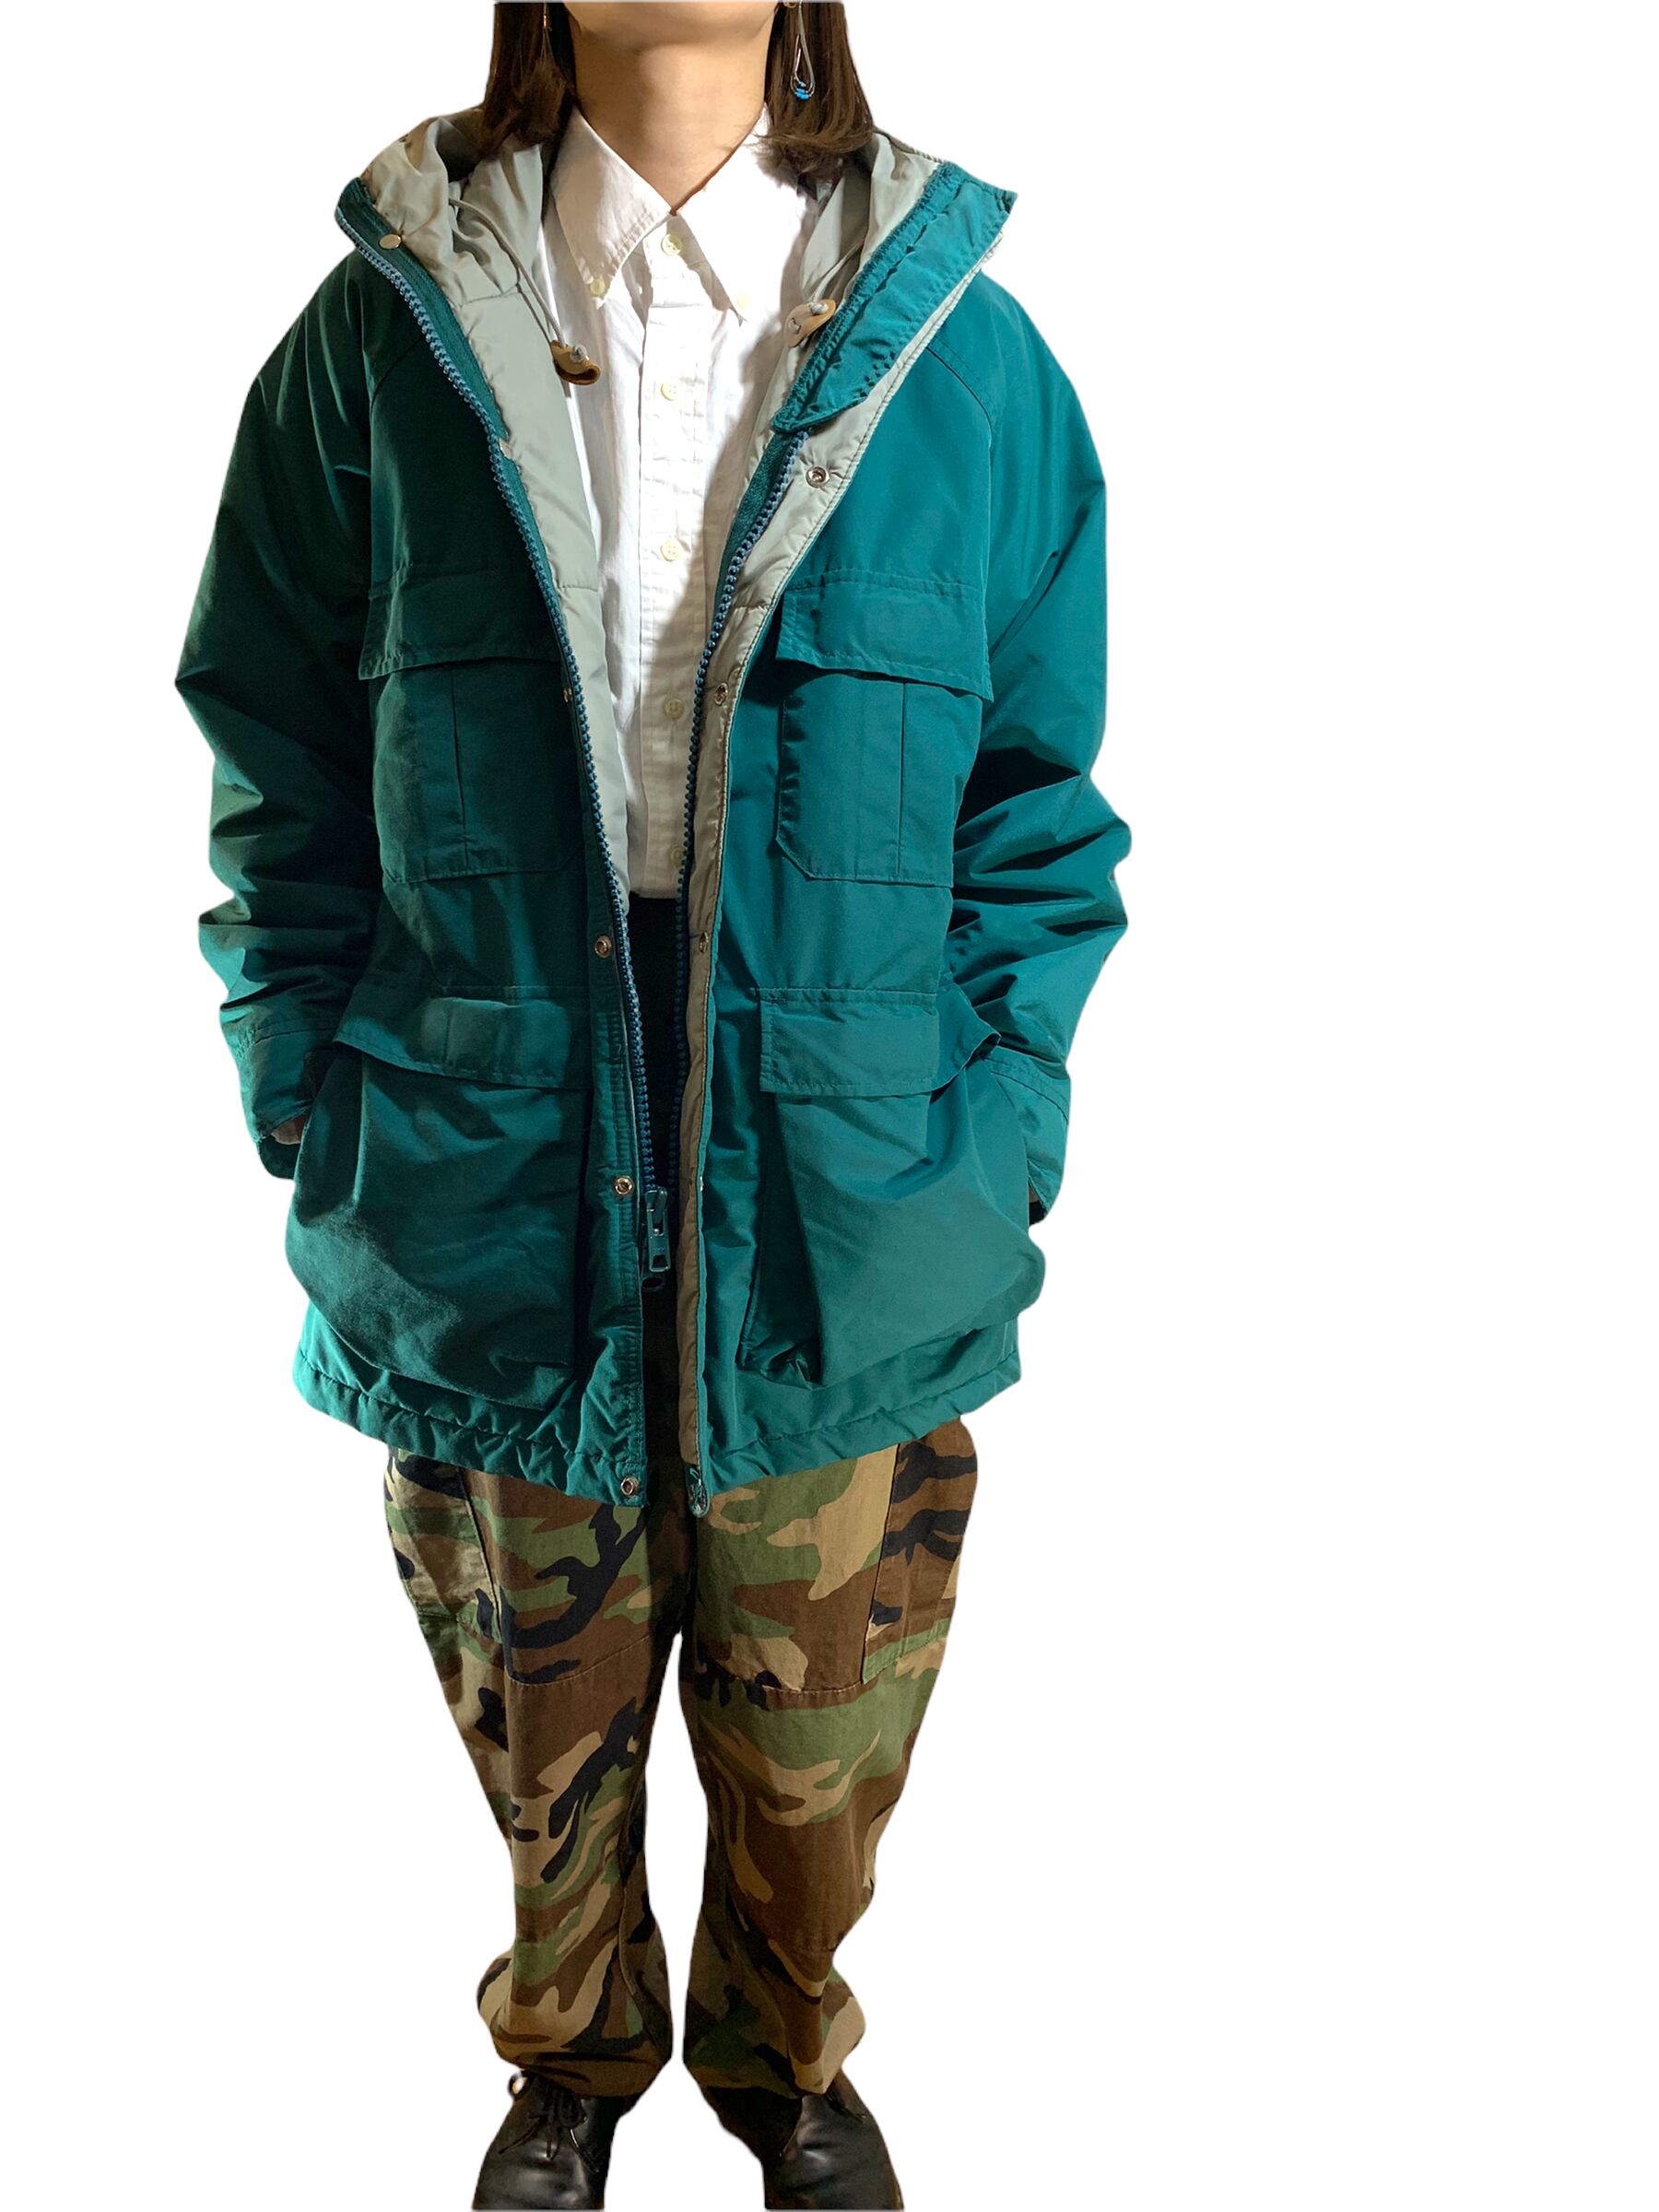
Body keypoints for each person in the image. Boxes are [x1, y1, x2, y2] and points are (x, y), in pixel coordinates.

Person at [178, 5, 1129, 2204]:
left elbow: (1032, 805)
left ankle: (787, 2064)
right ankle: (570, 2066)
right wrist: (305, 1091)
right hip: (490, 1154)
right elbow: (276, 757)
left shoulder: (972, 364)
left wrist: (1002, 1126)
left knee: (826, 1731)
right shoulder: (380, 344)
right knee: (545, 1705)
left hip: (855, 1176)